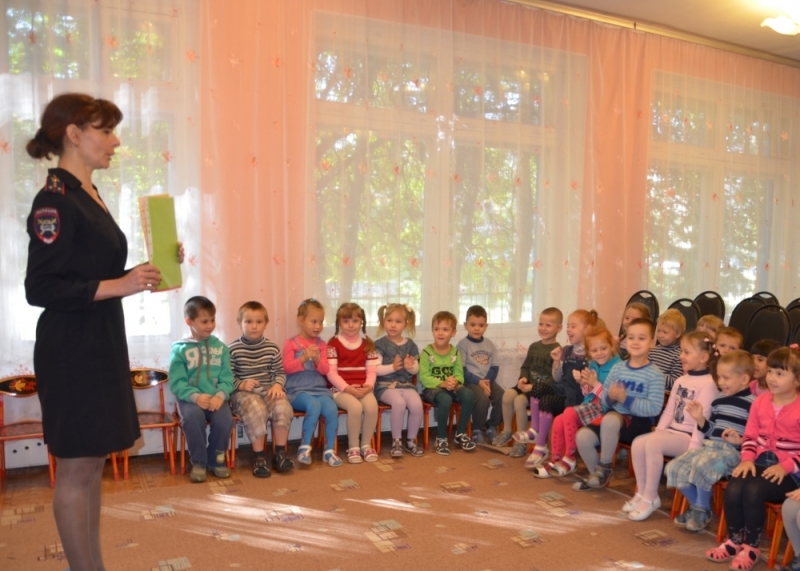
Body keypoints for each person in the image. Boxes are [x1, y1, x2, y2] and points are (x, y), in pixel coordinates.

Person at [23, 92, 175, 571]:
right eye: (106, 131)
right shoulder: (53, 201)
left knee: (92, 464)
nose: (115, 141)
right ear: (74, 134)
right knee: (76, 467)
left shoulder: (87, 194)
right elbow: (40, 286)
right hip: (71, 349)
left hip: (100, 340)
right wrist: (121, 284)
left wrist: (144, 274)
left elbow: (93, 275)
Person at [707, 347, 800, 571]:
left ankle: (752, 546)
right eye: (771, 371)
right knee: (734, 486)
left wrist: (786, 467)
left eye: (780, 373)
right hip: (759, 462)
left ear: (797, 380)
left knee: (753, 491)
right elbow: (750, 435)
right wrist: (747, 459)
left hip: (791, 472)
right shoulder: (761, 401)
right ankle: (734, 541)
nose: (772, 378)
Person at [625, 331, 717, 521]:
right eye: (681, 351)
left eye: (686, 352)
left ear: (703, 357)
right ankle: (641, 492)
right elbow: (669, 411)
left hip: (689, 438)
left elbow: (702, 420)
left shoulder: (708, 384)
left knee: (653, 444)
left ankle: (651, 497)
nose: (681, 356)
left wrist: (693, 449)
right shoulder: (681, 380)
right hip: (672, 432)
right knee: (638, 442)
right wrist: (658, 431)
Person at [666, 350, 755, 532]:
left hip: (733, 453)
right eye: (719, 377)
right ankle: (699, 507)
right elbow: (711, 430)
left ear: (744, 379)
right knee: (674, 467)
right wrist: (700, 419)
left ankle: (700, 510)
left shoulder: (753, 403)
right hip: (710, 447)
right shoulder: (719, 399)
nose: (720, 382)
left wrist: (741, 441)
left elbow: (757, 436)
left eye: (726, 378)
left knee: (700, 464)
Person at [573, 318, 665, 490]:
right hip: (612, 423)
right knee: (582, 437)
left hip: (638, 423)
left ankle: (604, 468)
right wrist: (610, 397)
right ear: (625, 341)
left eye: (641, 338)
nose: (635, 342)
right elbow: (605, 402)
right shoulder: (618, 369)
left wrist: (626, 399)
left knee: (611, 418)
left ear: (652, 343)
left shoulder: (656, 374)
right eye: (631, 337)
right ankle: (598, 476)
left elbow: (654, 408)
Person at [532, 326, 621, 479]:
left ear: (611, 346)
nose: (599, 353)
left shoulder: (617, 367)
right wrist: (583, 384)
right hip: (590, 405)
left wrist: (595, 384)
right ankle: (556, 460)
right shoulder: (593, 364)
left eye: (603, 348)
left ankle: (570, 458)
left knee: (569, 412)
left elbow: (610, 399)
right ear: (589, 352)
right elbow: (587, 393)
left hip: (604, 409)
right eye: (594, 350)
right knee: (559, 420)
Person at [514, 309, 598, 468]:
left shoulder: (592, 354)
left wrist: (583, 381)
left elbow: (593, 386)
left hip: (576, 397)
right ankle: (535, 431)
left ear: (587, 329)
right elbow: (558, 378)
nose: (568, 330)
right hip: (562, 389)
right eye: (568, 326)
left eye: (573, 326)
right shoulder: (566, 350)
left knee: (546, 401)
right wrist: (557, 362)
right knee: (538, 388)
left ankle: (540, 448)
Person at [169, 296, 235, 483]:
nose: (210, 325)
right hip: (189, 399)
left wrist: (220, 396)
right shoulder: (179, 350)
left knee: (225, 419)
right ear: (189, 322)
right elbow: (176, 382)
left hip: (216, 398)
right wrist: (195, 396)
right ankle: (199, 462)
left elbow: (227, 378)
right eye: (204, 321)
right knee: (193, 417)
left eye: (213, 320)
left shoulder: (221, 348)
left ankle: (217, 460)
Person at [228, 301, 294, 478]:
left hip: (268, 390)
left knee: (282, 406)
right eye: (248, 321)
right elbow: (227, 378)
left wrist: (278, 385)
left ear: (265, 324)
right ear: (240, 323)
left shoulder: (272, 348)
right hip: (244, 394)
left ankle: (280, 453)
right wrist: (241, 384)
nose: (254, 326)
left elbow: (279, 372)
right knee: (256, 409)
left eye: (259, 322)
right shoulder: (232, 349)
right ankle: (258, 457)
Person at [495, 307, 562, 457]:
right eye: (541, 324)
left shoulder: (558, 351)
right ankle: (507, 431)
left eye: (548, 325)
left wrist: (533, 387)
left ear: (559, 328)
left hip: (540, 390)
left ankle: (522, 441)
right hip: (527, 384)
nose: (543, 328)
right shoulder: (534, 347)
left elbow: (555, 379)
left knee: (519, 401)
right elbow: (525, 367)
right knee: (507, 395)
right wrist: (523, 378)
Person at [283, 299, 341, 467]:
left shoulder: (321, 344)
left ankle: (329, 451)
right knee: (314, 405)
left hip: (319, 389)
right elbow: (286, 368)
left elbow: (325, 370)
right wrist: (304, 358)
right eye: (313, 321)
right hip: (297, 390)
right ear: (301, 320)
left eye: (321, 322)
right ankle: (304, 447)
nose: (318, 326)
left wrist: (316, 360)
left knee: (331, 409)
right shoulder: (291, 343)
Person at [327, 302, 380, 464]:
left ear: (361, 322)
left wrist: (369, 386)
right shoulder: (333, 344)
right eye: (346, 321)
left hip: (363, 388)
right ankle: (353, 447)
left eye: (355, 321)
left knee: (372, 406)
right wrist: (347, 388)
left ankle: (366, 445)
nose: (351, 325)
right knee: (355, 407)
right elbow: (331, 373)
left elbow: (372, 370)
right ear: (339, 323)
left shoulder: (368, 344)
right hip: (340, 389)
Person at [419, 311, 477, 455]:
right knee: (445, 399)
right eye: (437, 329)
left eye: (445, 329)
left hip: (451, 386)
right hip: (432, 389)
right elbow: (424, 377)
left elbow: (459, 374)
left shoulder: (455, 353)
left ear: (453, 332)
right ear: (432, 331)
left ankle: (460, 433)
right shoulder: (427, 352)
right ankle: (441, 437)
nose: (440, 333)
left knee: (468, 394)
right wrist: (442, 383)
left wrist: (455, 381)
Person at [374, 303, 424, 457]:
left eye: (398, 321)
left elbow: (416, 369)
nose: (393, 325)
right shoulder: (379, 344)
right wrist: (392, 367)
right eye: (389, 320)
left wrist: (410, 367)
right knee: (399, 403)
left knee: (417, 405)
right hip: (385, 386)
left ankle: (411, 441)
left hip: (406, 385)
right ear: (384, 322)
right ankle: (396, 441)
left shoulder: (411, 345)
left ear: (405, 324)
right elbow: (376, 369)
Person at [457, 305, 503, 445]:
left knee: (503, 396)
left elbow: (495, 365)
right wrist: (479, 382)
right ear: (465, 325)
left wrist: (487, 381)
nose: (477, 328)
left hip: (488, 380)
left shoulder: (489, 344)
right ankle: (477, 430)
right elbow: (461, 370)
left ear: (486, 326)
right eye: (473, 325)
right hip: (471, 381)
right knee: (482, 398)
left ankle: (491, 426)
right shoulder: (462, 345)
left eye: (481, 325)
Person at [649, 308, 686, 390]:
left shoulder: (679, 356)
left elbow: (675, 382)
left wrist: (655, 375)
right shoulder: (653, 351)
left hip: (664, 393)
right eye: (658, 331)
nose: (660, 335)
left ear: (677, 333)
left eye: (665, 332)